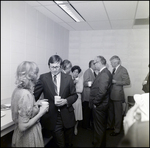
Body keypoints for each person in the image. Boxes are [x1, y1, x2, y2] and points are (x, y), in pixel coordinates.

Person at [34, 55, 78, 147]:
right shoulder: (43, 78)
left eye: (57, 67)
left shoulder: (68, 78)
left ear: (61, 66)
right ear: (49, 66)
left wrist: (66, 101)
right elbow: (34, 96)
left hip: (67, 114)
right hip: (52, 116)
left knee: (68, 142)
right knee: (60, 143)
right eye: (52, 67)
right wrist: (36, 102)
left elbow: (74, 95)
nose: (54, 69)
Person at [11, 61, 49, 147]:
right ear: (31, 76)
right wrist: (41, 112)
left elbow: (24, 111)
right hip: (29, 137)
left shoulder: (17, 90)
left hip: (18, 136)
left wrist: (35, 104)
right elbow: (23, 126)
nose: (37, 76)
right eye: (36, 73)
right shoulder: (26, 94)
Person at [89, 56, 112, 147]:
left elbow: (102, 91)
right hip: (101, 104)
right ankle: (98, 142)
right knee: (99, 126)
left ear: (99, 63)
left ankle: (98, 145)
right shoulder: (103, 72)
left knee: (99, 127)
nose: (94, 65)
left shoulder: (104, 73)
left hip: (100, 105)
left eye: (95, 63)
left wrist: (96, 103)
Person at [107, 55, 130, 136]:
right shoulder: (114, 69)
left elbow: (127, 82)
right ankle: (110, 126)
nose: (111, 64)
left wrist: (115, 82)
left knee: (118, 114)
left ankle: (117, 130)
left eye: (112, 63)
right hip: (112, 94)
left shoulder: (123, 70)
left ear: (116, 62)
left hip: (117, 95)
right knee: (111, 112)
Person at [82, 60, 96, 130]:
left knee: (89, 111)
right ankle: (86, 126)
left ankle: (87, 125)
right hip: (87, 95)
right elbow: (85, 83)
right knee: (87, 111)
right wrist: (93, 83)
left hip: (90, 95)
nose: (95, 65)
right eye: (94, 64)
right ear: (91, 65)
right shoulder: (88, 71)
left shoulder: (92, 72)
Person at [71, 65, 83, 135]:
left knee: (77, 115)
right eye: (74, 72)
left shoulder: (80, 80)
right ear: (72, 72)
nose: (76, 73)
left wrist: (74, 86)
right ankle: (70, 128)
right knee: (71, 114)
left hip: (77, 99)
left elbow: (80, 90)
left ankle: (75, 127)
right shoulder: (69, 79)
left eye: (77, 72)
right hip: (70, 99)